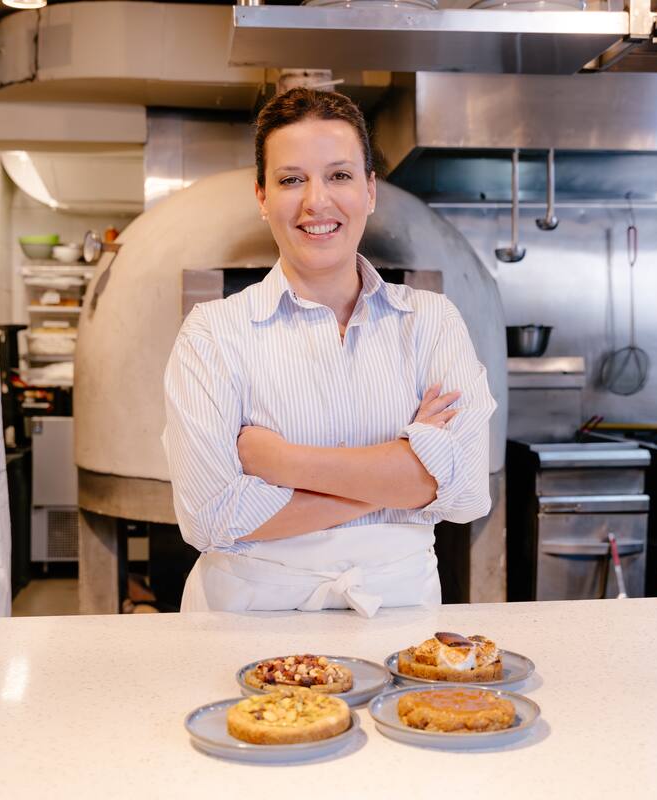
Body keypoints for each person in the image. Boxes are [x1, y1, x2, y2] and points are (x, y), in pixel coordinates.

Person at [162, 88, 496, 616]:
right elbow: (210, 517)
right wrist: (405, 479)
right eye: (291, 179)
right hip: (249, 617)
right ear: (262, 196)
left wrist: (284, 462)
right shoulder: (213, 334)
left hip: (398, 612)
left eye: (339, 175)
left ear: (370, 190)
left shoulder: (432, 321)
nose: (316, 201)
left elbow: (467, 491)